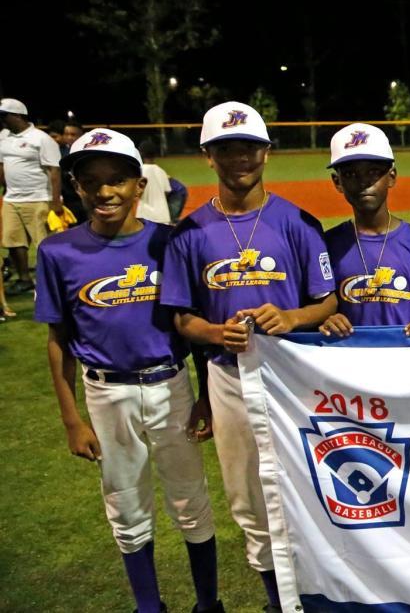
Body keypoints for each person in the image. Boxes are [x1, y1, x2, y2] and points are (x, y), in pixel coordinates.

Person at [35, 128, 222, 613]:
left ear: (140, 185)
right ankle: (148, 606)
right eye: (90, 181)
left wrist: (204, 395)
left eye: (117, 179)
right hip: (107, 394)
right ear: (75, 187)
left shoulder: (169, 242)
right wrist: (71, 420)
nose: (104, 192)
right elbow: (59, 341)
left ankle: (208, 603)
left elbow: (190, 326)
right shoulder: (58, 251)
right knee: (126, 508)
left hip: (171, 384)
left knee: (191, 503)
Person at [161, 102, 336, 613]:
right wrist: (215, 331)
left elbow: (327, 300)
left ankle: (321, 591)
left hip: (296, 377)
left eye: (248, 148)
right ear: (207, 157)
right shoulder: (190, 234)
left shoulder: (298, 223)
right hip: (228, 377)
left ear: (266, 153)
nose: (239, 158)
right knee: (248, 498)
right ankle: (276, 601)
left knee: (314, 486)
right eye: (225, 149)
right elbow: (181, 317)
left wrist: (293, 317)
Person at [319, 123, 410, 336]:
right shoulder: (327, 245)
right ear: (337, 182)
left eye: (374, 172)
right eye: (350, 174)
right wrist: (325, 322)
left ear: (392, 176)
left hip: (406, 360)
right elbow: (319, 313)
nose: (363, 182)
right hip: (347, 363)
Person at [0, 97, 62, 294]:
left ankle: (51, 280)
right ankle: (24, 278)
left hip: (38, 198)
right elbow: (2, 165)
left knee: (44, 244)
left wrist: (55, 202)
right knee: (13, 241)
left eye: (4, 116)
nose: (2, 120)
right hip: (11, 198)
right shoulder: (3, 136)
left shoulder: (41, 138)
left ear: (17, 115)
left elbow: (54, 171)